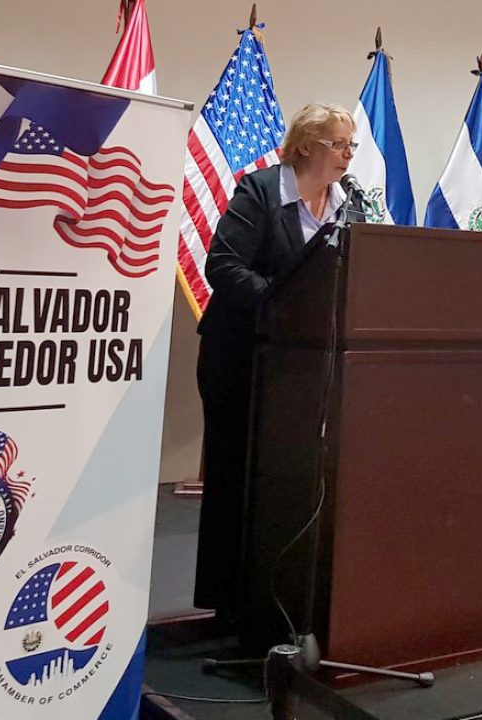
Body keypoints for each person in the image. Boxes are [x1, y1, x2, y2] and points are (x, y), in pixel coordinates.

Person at [194, 103, 358, 616]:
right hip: (241, 356)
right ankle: (228, 603)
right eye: (338, 144)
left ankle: (281, 599)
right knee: (236, 473)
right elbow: (223, 265)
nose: (348, 155)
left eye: (350, 145)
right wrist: (282, 304)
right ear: (305, 145)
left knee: (293, 477)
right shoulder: (262, 191)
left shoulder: (347, 203)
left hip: (305, 366)